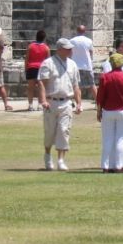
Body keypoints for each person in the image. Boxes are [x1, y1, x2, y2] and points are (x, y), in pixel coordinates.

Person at [38, 38, 83, 171]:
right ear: (59, 49)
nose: (70, 51)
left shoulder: (73, 65)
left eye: (71, 48)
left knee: (64, 130)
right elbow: (42, 83)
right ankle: (47, 155)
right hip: (51, 101)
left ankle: (61, 159)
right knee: (50, 132)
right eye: (67, 48)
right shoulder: (48, 63)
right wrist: (43, 100)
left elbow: (76, 85)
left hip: (66, 102)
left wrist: (79, 103)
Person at [95, 53, 123, 173]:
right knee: (121, 139)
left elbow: (100, 97)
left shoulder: (105, 77)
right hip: (121, 111)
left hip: (108, 111)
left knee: (107, 138)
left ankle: (106, 165)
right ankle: (120, 165)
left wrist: (99, 111)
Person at [24, 30, 50, 111]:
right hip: (41, 69)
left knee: (30, 88)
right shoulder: (46, 48)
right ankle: (40, 104)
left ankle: (30, 105)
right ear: (44, 38)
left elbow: (27, 59)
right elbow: (48, 61)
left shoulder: (30, 46)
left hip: (31, 68)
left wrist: (26, 68)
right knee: (41, 87)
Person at [69, 25, 95, 99]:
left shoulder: (72, 40)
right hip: (87, 66)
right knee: (92, 85)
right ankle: (98, 103)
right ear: (84, 31)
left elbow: (70, 52)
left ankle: (79, 104)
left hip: (75, 66)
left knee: (77, 86)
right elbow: (91, 52)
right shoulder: (89, 41)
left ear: (77, 31)